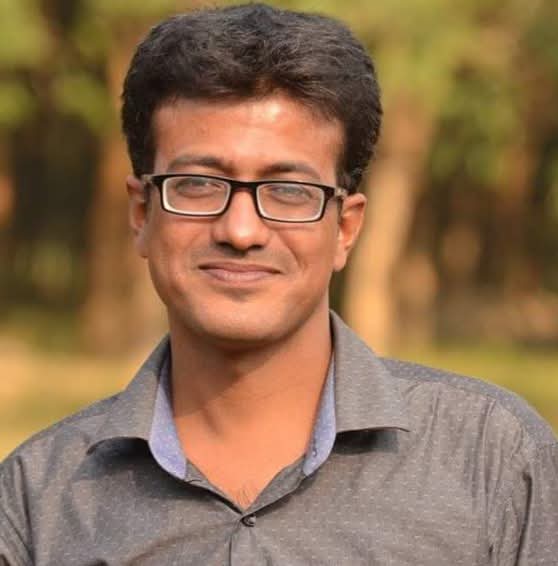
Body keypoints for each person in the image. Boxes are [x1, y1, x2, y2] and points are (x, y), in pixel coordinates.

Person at [1, 3, 557, 565]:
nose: (240, 231)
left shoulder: (493, 461)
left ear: (345, 228)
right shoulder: (35, 500)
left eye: (289, 191)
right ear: (142, 213)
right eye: (198, 184)